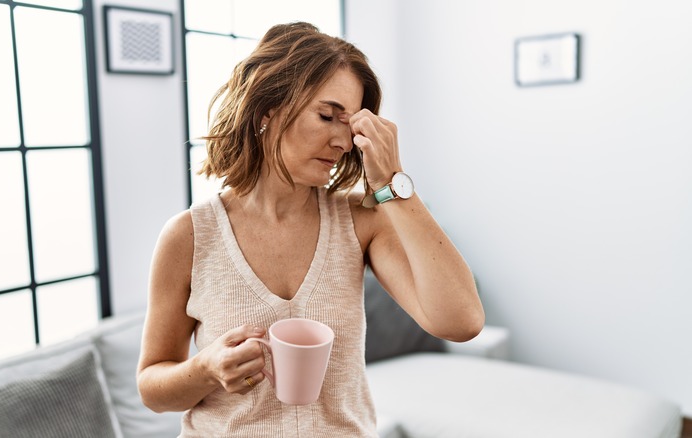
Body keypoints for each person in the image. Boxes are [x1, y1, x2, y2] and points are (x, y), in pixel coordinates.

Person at [137, 22, 484, 437]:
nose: (343, 142)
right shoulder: (189, 236)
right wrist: (206, 369)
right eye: (326, 116)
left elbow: (462, 321)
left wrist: (394, 182)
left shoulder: (361, 221)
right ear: (268, 109)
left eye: (350, 127)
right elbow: (153, 389)